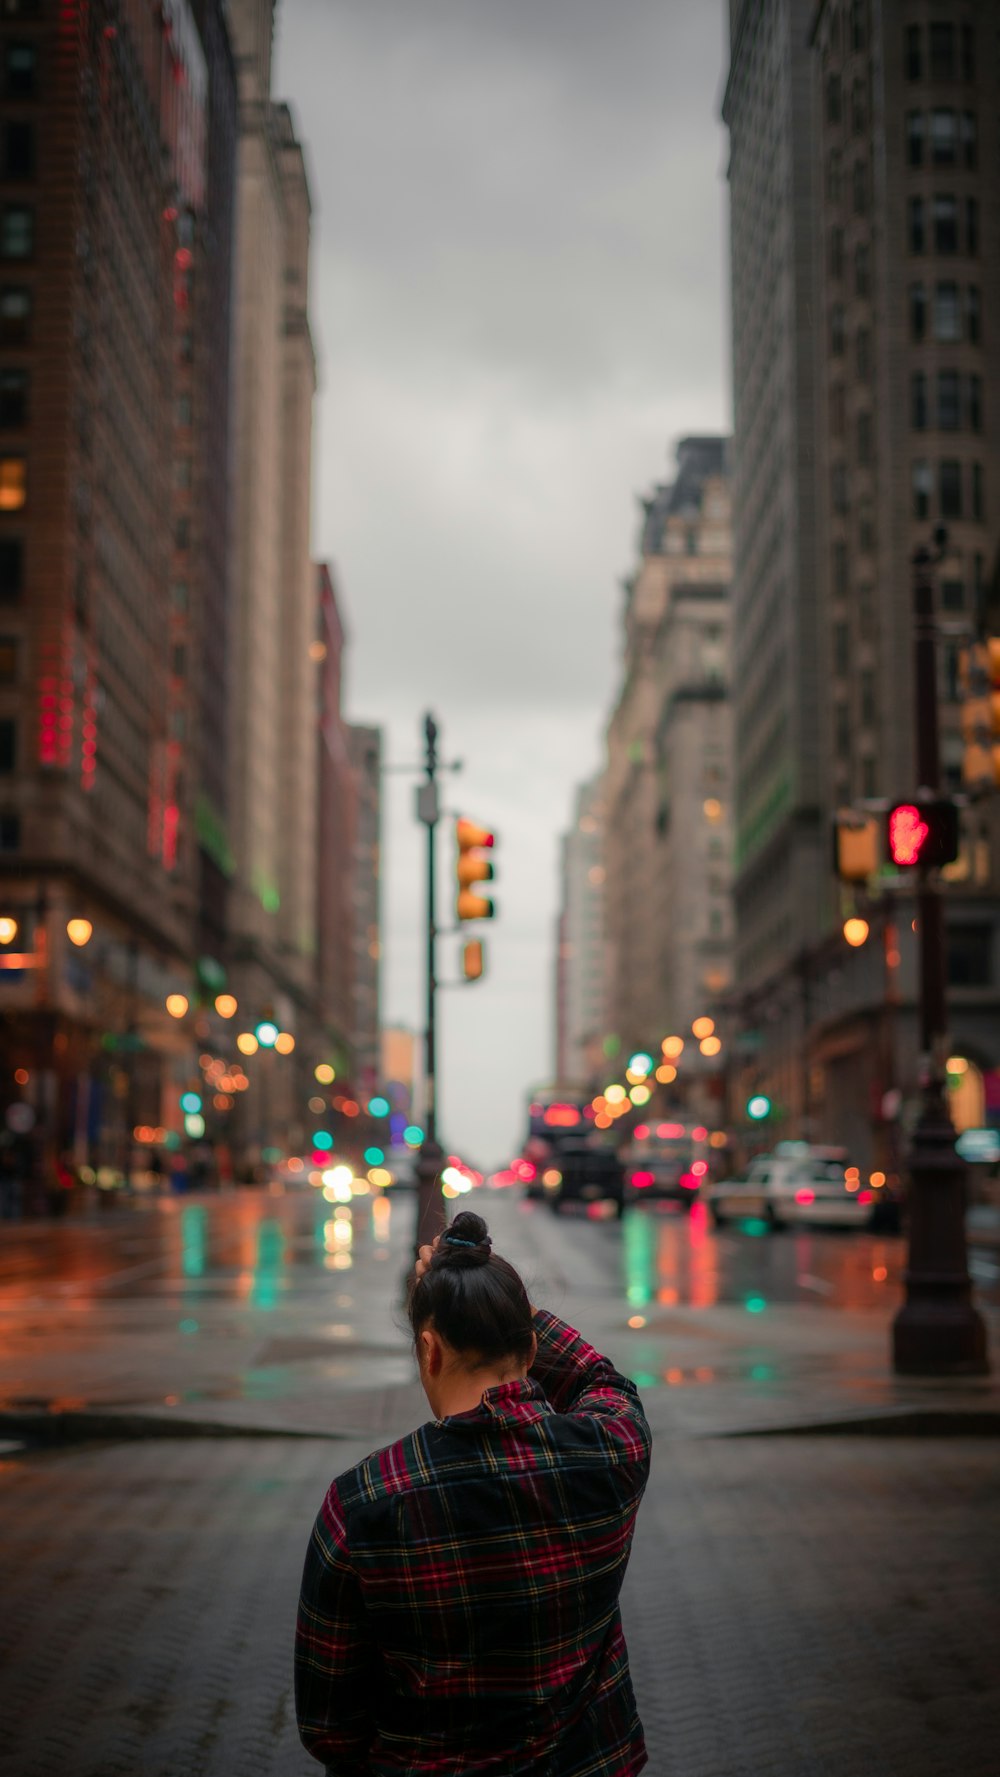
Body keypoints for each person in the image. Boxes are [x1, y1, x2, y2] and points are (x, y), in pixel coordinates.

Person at [295, 1209, 650, 1775]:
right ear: (531, 1350)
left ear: (429, 1351)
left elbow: (328, 1726)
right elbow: (601, 1382)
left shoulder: (364, 1501)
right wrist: (514, 1309)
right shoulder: (610, 1449)